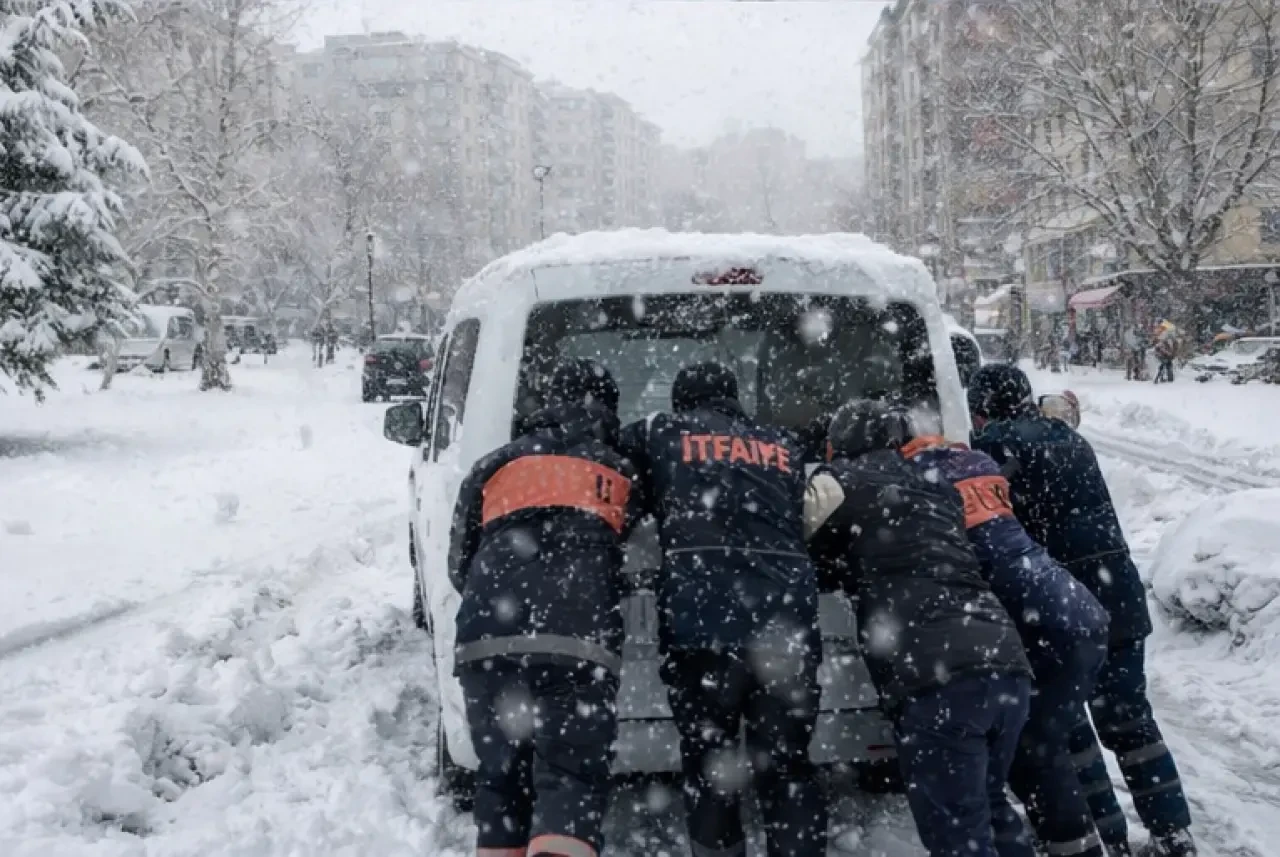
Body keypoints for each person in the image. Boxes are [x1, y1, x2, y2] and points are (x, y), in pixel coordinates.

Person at [968, 364, 1196, 857]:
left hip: (1063, 605)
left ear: (981, 410)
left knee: (1065, 727)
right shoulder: (1070, 439)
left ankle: (1105, 834)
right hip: (1118, 593)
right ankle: (1173, 836)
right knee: (1131, 720)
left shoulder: (993, 448)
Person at [804, 399, 1034, 857]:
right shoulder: (939, 487)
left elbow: (806, 549)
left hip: (938, 675)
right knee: (989, 807)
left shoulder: (836, 483)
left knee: (958, 836)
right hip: (1005, 660)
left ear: (838, 445)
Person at [621, 361, 827, 857]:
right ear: (735, 398)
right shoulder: (781, 442)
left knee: (710, 762)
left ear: (681, 401)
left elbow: (616, 461)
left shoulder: (660, 431)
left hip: (702, 627)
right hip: (785, 626)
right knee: (787, 765)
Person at [448, 359, 641, 857]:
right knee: (570, 780)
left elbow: (460, 564)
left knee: (500, 782)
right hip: (577, 644)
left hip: (486, 640)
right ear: (606, 410)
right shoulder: (617, 470)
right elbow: (638, 551)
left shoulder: (495, 464)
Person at [902, 430, 1111, 857]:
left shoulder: (917, 478)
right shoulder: (976, 460)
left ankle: (1073, 844)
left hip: (1043, 617)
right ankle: (1099, 838)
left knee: (1035, 752)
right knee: (1049, 742)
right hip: (1075, 607)